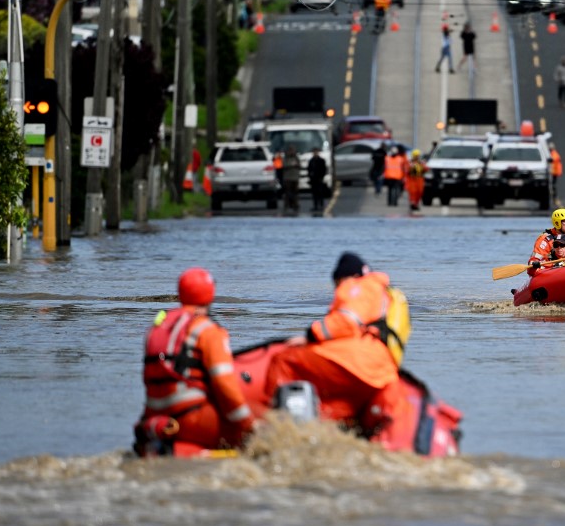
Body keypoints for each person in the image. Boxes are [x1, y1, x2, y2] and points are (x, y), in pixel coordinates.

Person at [264, 253, 403, 429]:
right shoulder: (381, 292)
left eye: (337, 284)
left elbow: (347, 321)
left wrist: (310, 336)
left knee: (283, 360)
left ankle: (270, 423)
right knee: (337, 409)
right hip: (380, 370)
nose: (336, 289)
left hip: (357, 361)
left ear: (348, 277)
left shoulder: (358, 287)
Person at [134, 267, 256, 454]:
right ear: (211, 293)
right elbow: (225, 384)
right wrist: (248, 424)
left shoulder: (157, 328)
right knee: (259, 421)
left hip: (155, 420)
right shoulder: (207, 330)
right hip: (192, 419)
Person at [307, 147, 328, 212]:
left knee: (320, 193)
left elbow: (324, 169)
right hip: (313, 179)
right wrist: (310, 176)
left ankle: (321, 205)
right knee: (314, 193)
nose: (315, 153)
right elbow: (309, 169)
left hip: (319, 178)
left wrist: (321, 177)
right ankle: (315, 205)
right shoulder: (311, 161)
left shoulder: (321, 160)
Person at [282, 146, 301, 212]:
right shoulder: (285, 158)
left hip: (295, 178)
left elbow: (299, 165)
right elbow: (283, 165)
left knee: (295, 192)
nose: (292, 152)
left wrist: (295, 165)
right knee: (287, 192)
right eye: (290, 151)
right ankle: (287, 205)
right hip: (287, 178)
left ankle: (295, 205)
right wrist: (292, 165)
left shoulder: (296, 158)